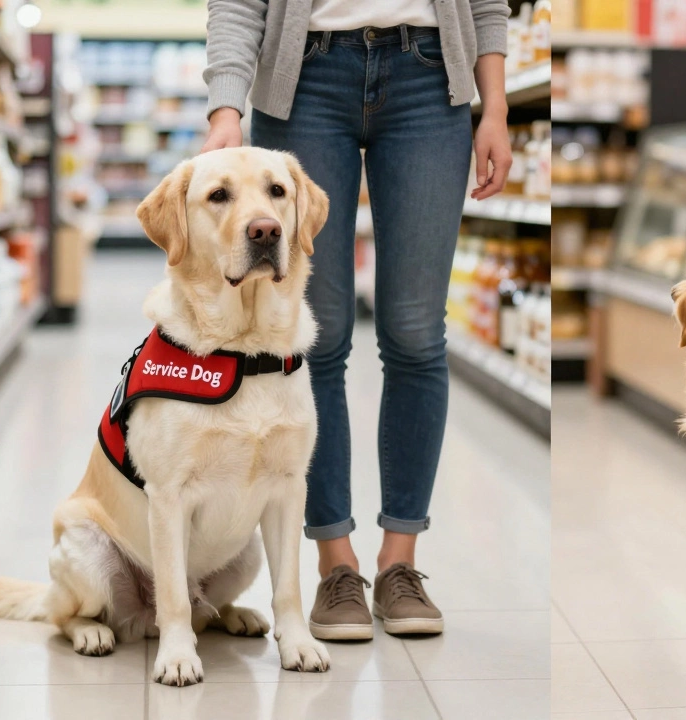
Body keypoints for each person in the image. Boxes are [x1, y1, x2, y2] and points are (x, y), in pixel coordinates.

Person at [201, 0, 512, 640]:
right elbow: (237, 5)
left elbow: (486, 5)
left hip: (431, 77)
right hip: (303, 79)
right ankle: (334, 563)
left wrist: (496, 108)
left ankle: (400, 562)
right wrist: (226, 110)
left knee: (416, 334)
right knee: (317, 337)